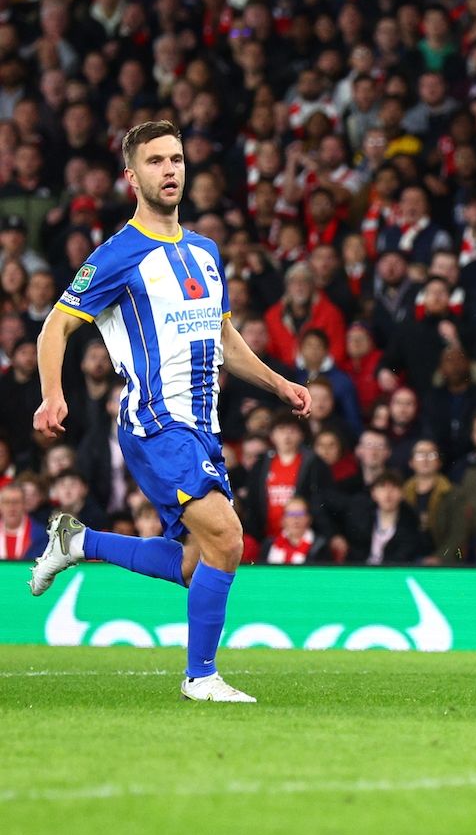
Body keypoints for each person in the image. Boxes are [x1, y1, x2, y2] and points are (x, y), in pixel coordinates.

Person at [28, 121, 313, 703]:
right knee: (228, 538)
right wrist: (52, 392)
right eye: (155, 161)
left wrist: (278, 383)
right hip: (156, 422)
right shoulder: (116, 255)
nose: (170, 170)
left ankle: (79, 543)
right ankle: (200, 676)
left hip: (203, 428)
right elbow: (54, 326)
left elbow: (224, 337)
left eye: (176, 159)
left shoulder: (205, 251)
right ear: (132, 177)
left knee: (194, 561)